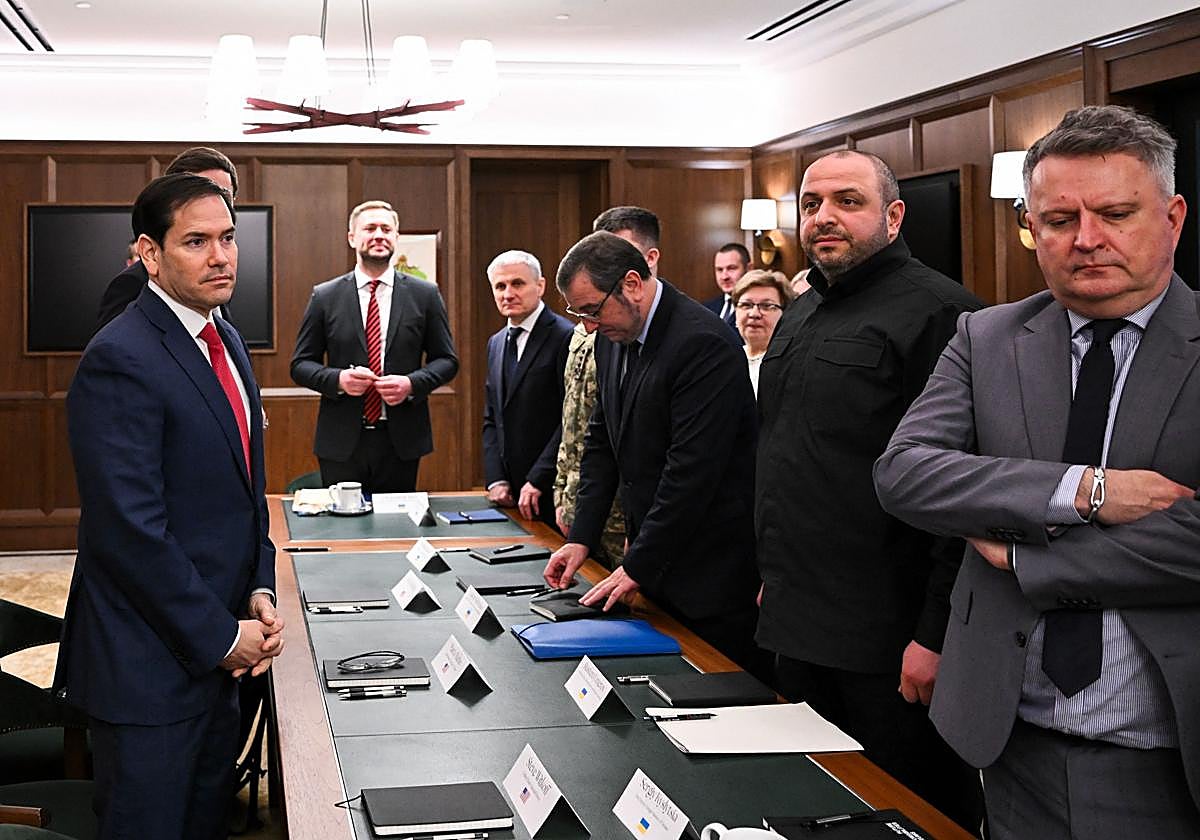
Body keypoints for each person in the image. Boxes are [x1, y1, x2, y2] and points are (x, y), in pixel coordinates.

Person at [874, 105, 1200, 839]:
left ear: (1173, 217)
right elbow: (906, 473)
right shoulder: (985, 337)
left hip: (1173, 757)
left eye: (1115, 213)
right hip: (1010, 747)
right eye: (1058, 220)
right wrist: (1087, 491)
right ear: (1030, 226)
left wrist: (1027, 558)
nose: (1086, 239)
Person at [755, 149, 984, 832]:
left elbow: (962, 493)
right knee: (811, 806)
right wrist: (775, 575)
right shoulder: (799, 311)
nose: (824, 217)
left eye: (847, 201)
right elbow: (785, 457)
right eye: (811, 204)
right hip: (798, 622)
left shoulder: (943, 313)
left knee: (907, 816)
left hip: (891, 640)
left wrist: (935, 636)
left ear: (893, 215)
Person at [57, 173, 284, 839]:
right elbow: (129, 532)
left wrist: (259, 586)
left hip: (220, 659)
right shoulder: (119, 356)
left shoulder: (225, 339)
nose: (221, 257)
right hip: (150, 671)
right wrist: (224, 639)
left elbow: (245, 492)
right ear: (149, 255)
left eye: (228, 238)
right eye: (196, 242)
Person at [543, 230, 764, 674]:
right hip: (656, 561)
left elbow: (691, 473)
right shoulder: (611, 336)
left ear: (632, 284)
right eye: (578, 314)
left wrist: (637, 564)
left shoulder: (702, 342)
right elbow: (602, 441)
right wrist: (581, 537)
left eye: (592, 310)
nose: (588, 326)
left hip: (710, 571)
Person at [290, 200, 458, 493]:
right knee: (342, 522)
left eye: (386, 229)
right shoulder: (325, 296)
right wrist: (339, 379)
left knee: (395, 521)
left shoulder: (425, 295)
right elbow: (300, 365)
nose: (379, 235)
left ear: (396, 237)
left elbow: (447, 360)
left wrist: (411, 383)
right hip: (341, 440)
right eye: (370, 228)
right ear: (352, 238)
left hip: (401, 440)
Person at [553, 207, 663, 567]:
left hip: (638, 521)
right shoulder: (600, 331)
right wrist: (566, 494)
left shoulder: (683, 339)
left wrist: (644, 533)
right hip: (590, 500)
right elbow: (581, 425)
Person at [96, 146, 239, 332]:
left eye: (223, 195)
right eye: (196, 242)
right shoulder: (132, 285)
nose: (212, 202)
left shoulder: (217, 281)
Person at [482, 249, 572, 525]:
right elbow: (492, 417)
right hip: (509, 494)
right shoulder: (496, 342)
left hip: (551, 489)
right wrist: (496, 479)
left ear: (540, 286)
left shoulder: (566, 336)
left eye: (517, 284)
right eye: (500, 286)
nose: (508, 294)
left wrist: (538, 479)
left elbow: (569, 420)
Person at [731, 269, 792, 396]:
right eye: (746, 305)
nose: (754, 314)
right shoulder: (727, 358)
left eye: (766, 306)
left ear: (785, 314)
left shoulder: (791, 364)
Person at [705, 242, 750, 333]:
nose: (724, 276)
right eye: (719, 270)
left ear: (749, 268)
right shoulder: (706, 309)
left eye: (731, 268)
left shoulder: (758, 309)